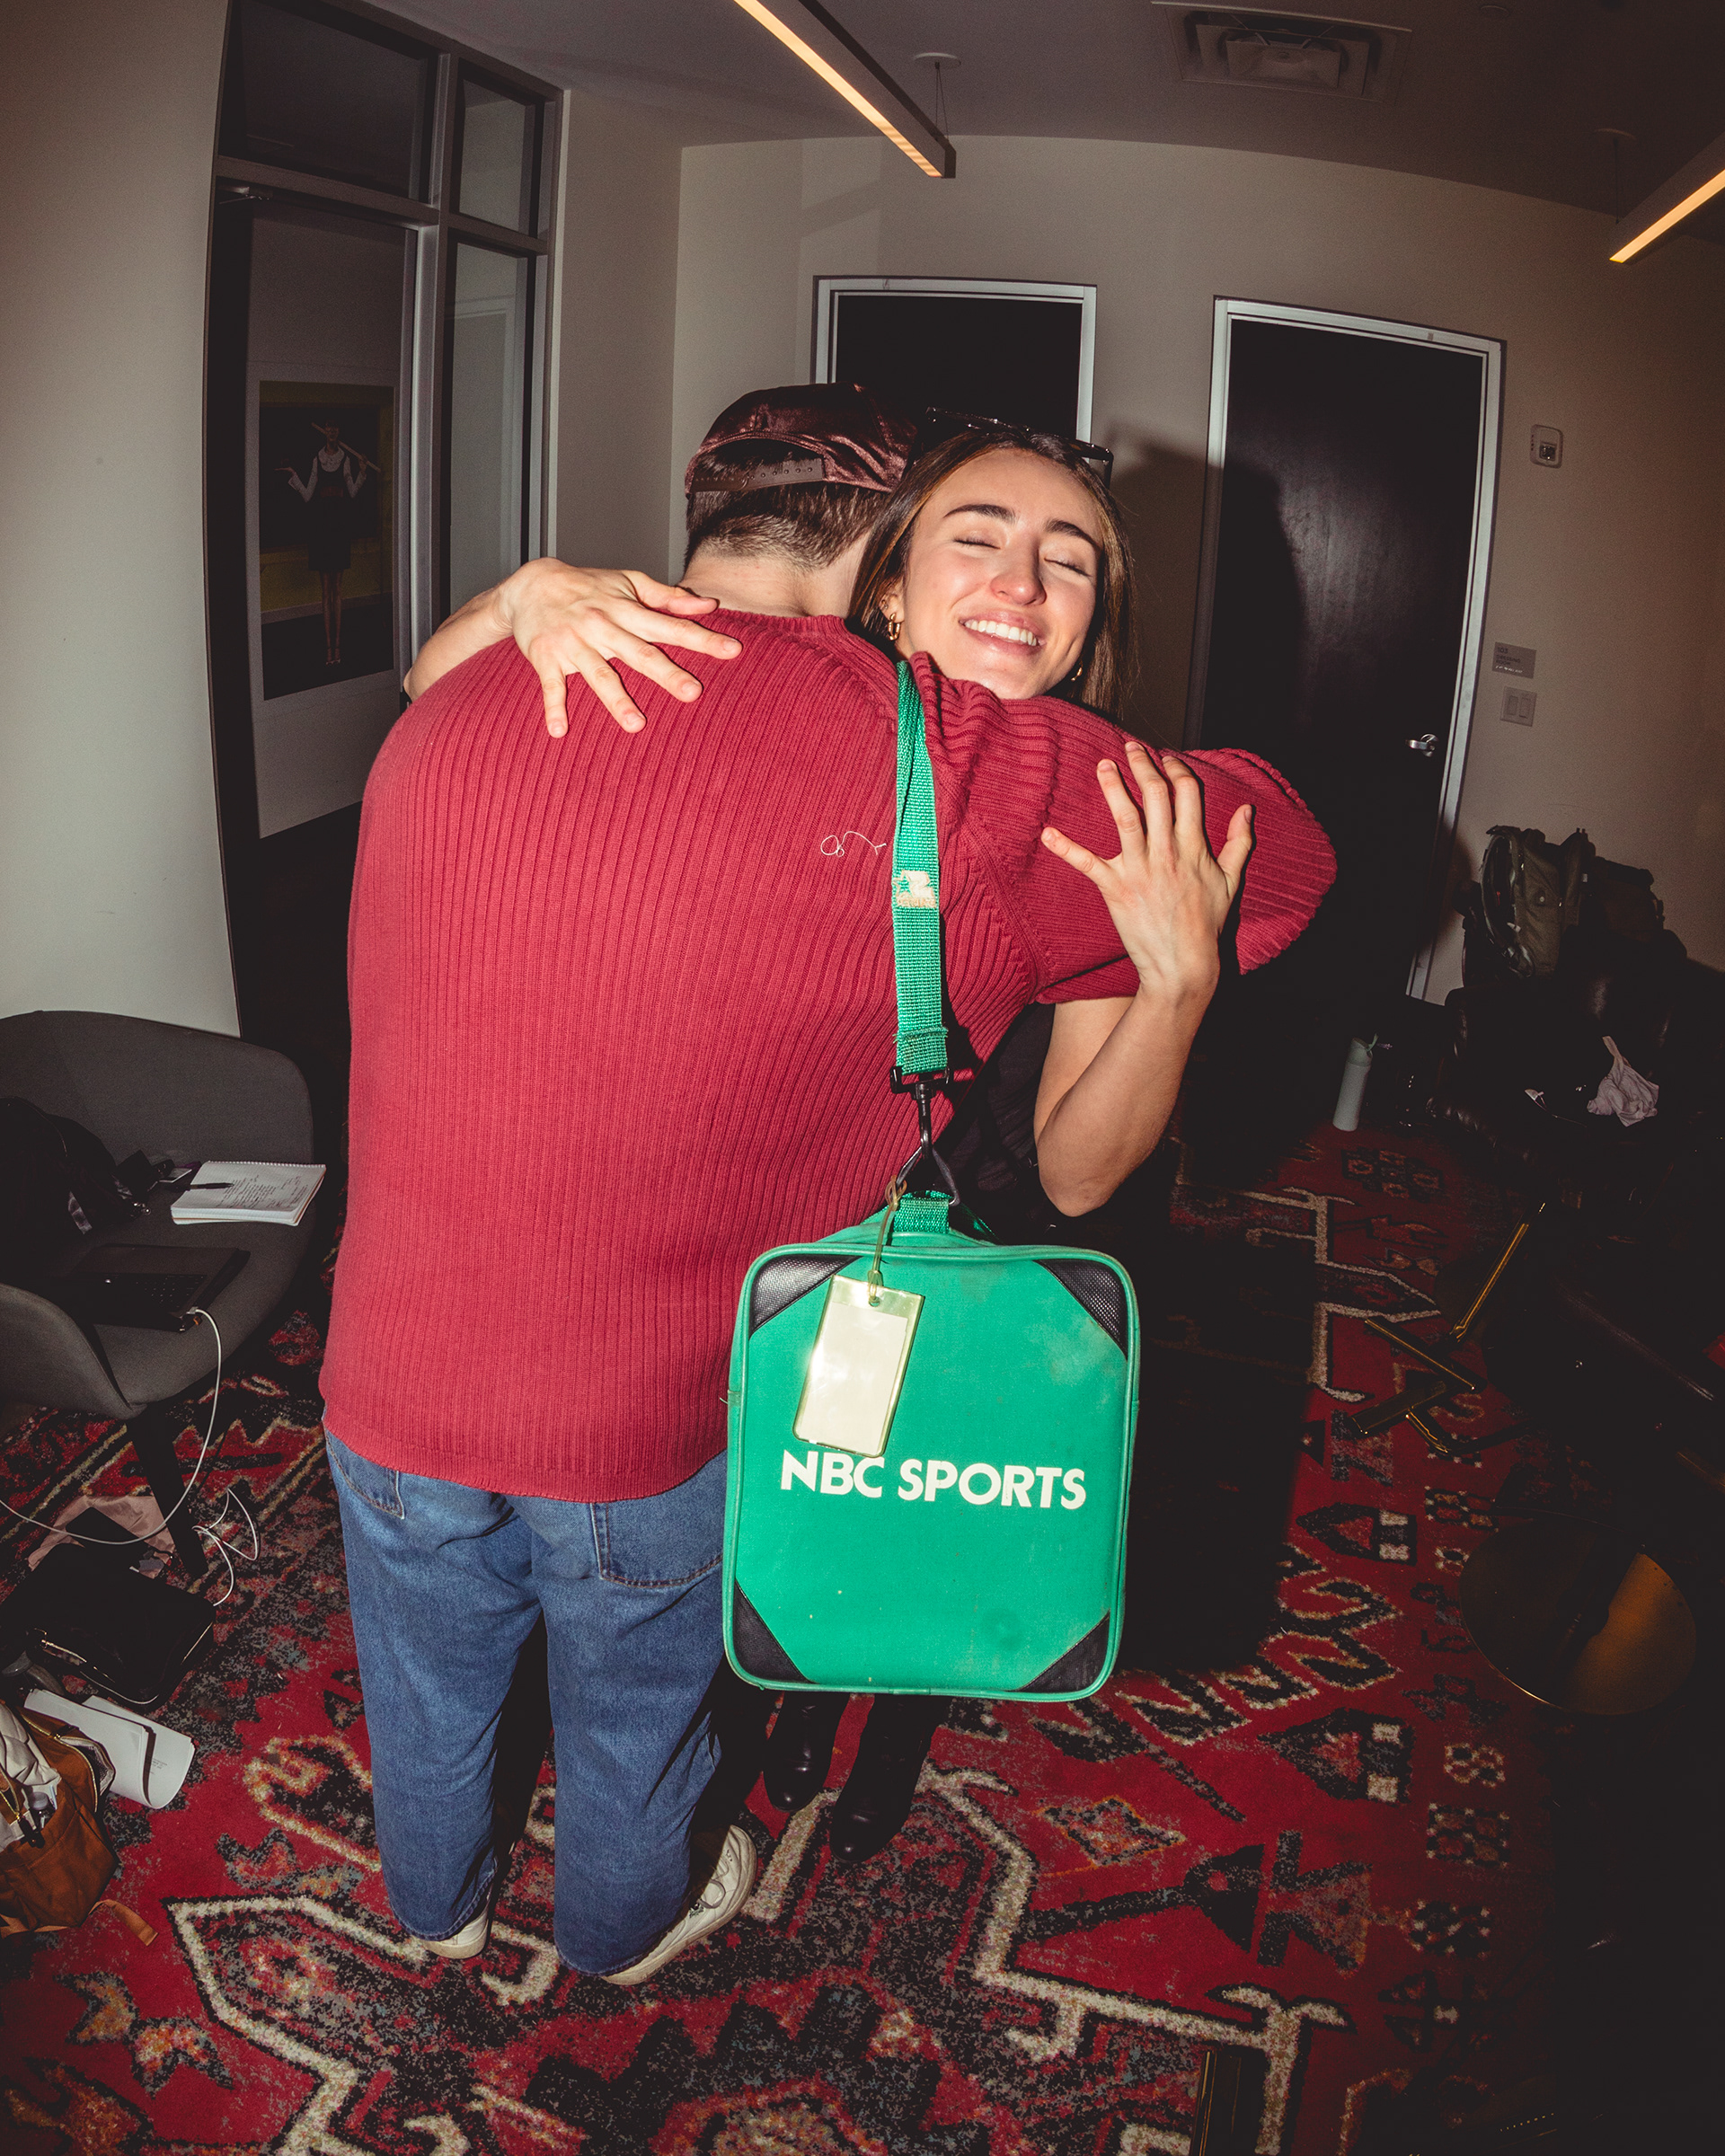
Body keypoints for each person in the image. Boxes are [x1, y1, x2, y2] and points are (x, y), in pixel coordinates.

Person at [321, 409, 1332, 1987]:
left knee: (429, 1681)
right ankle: (618, 1931)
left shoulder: (489, 689)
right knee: (639, 1708)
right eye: (976, 538)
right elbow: (1298, 853)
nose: (1023, 583)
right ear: (883, 572)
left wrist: (515, 598)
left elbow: (1076, 1166)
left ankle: (435, 1910)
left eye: (1069, 562)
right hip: (652, 1402)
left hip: (395, 1369)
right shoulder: (1015, 777)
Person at [279, 419, 369, 667]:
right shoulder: (316, 459)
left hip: (339, 528)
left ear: (338, 432)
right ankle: (328, 647)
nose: (331, 431)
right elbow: (308, 495)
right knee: (325, 591)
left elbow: (352, 491)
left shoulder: (346, 459)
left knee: (337, 590)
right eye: (328, 428)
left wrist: (362, 472)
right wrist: (294, 476)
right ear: (325, 432)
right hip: (321, 528)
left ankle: (337, 647)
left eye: (335, 428)